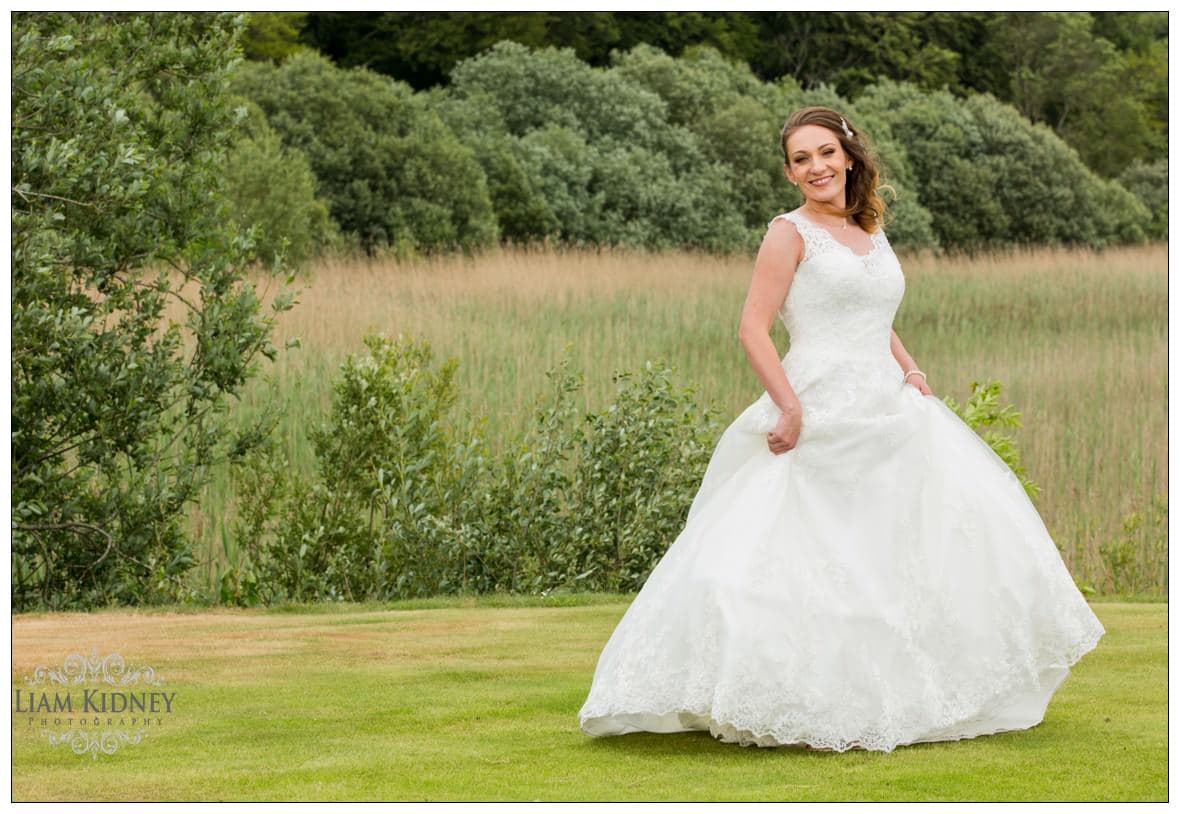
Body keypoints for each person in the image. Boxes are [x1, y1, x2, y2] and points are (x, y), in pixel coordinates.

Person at [576, 105, 1105, 753]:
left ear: (850, 156)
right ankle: (774, 693)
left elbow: (873, 314)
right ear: (790, 172)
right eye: (802, 158)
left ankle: (907, 694)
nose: (817, 167)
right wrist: (789, 406)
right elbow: (752, 326)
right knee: (790, 554)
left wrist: (910, 368)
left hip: (887, 405)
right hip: (817, 402)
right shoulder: (788, 233)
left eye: (826, 152)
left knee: (907, 552)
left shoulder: (869, 227)